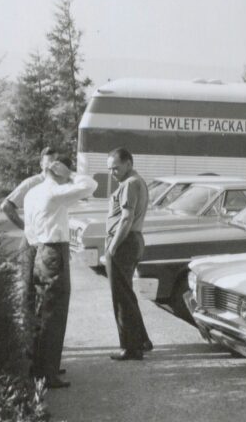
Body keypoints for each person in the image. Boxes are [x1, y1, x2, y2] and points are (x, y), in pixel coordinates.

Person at [24, 157, 98, 388]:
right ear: (59, 171)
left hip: (39, 250)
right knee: (54, 314)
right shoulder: (54, 192)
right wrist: (72, 174)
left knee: (41, 310)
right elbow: (90, 185)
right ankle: (48, 373)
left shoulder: (33, 192)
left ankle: (42, 365)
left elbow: (29, 229)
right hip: (54, 252)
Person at [0, 147, 58, 355]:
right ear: (41, 164)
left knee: (47, 296)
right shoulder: (32, 183)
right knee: (28, 295)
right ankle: (26, 354)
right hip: (32, 244)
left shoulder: (61, 184)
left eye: (55, 162)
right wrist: (26, 227)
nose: (52, 166)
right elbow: (6, 206)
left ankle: (42, 354)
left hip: (49, 246)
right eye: (48, 162)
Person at [105, 148, 152, 361]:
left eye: (116, 167)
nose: (112, 172)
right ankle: (141, 340)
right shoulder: (136, 181)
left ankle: (130, 348)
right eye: (110, 169)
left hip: (124, 242)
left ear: (129, 163)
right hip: (131, 241)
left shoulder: (129, 184)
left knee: (121, 298)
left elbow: (126, 218)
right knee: (127, 294)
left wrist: (112, 247)